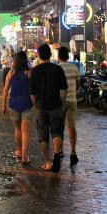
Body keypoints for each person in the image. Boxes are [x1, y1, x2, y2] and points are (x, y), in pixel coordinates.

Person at [28, 43, 68, 172]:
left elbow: (32, 94)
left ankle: (48, 162)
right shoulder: (58, 69)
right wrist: (60, 102)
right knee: (57, 132)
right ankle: (57, 152)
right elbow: (63, 91)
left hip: (41, 107)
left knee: (43, 136)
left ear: (38, 55)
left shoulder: (34, 71)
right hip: (56, 105)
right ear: (50, 55)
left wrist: (36, 104)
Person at [1, 50, 33, 164]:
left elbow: (5, 90)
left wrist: (3, 104)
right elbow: (32, 90)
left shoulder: (10, 73)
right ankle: (24, 156)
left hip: (13, 103)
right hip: (26, 103)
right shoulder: (29, 73)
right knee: (25, 131)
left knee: (17, 129)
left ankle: (19, 150)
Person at [57, 46, 80, 166]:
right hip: (72, 100)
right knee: (72, 127)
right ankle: (73, 151)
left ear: (59, 56)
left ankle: (60, 150)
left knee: (59, 127)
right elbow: (78, 83)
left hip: (60, 102)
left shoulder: (57, 68)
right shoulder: (74, 68)